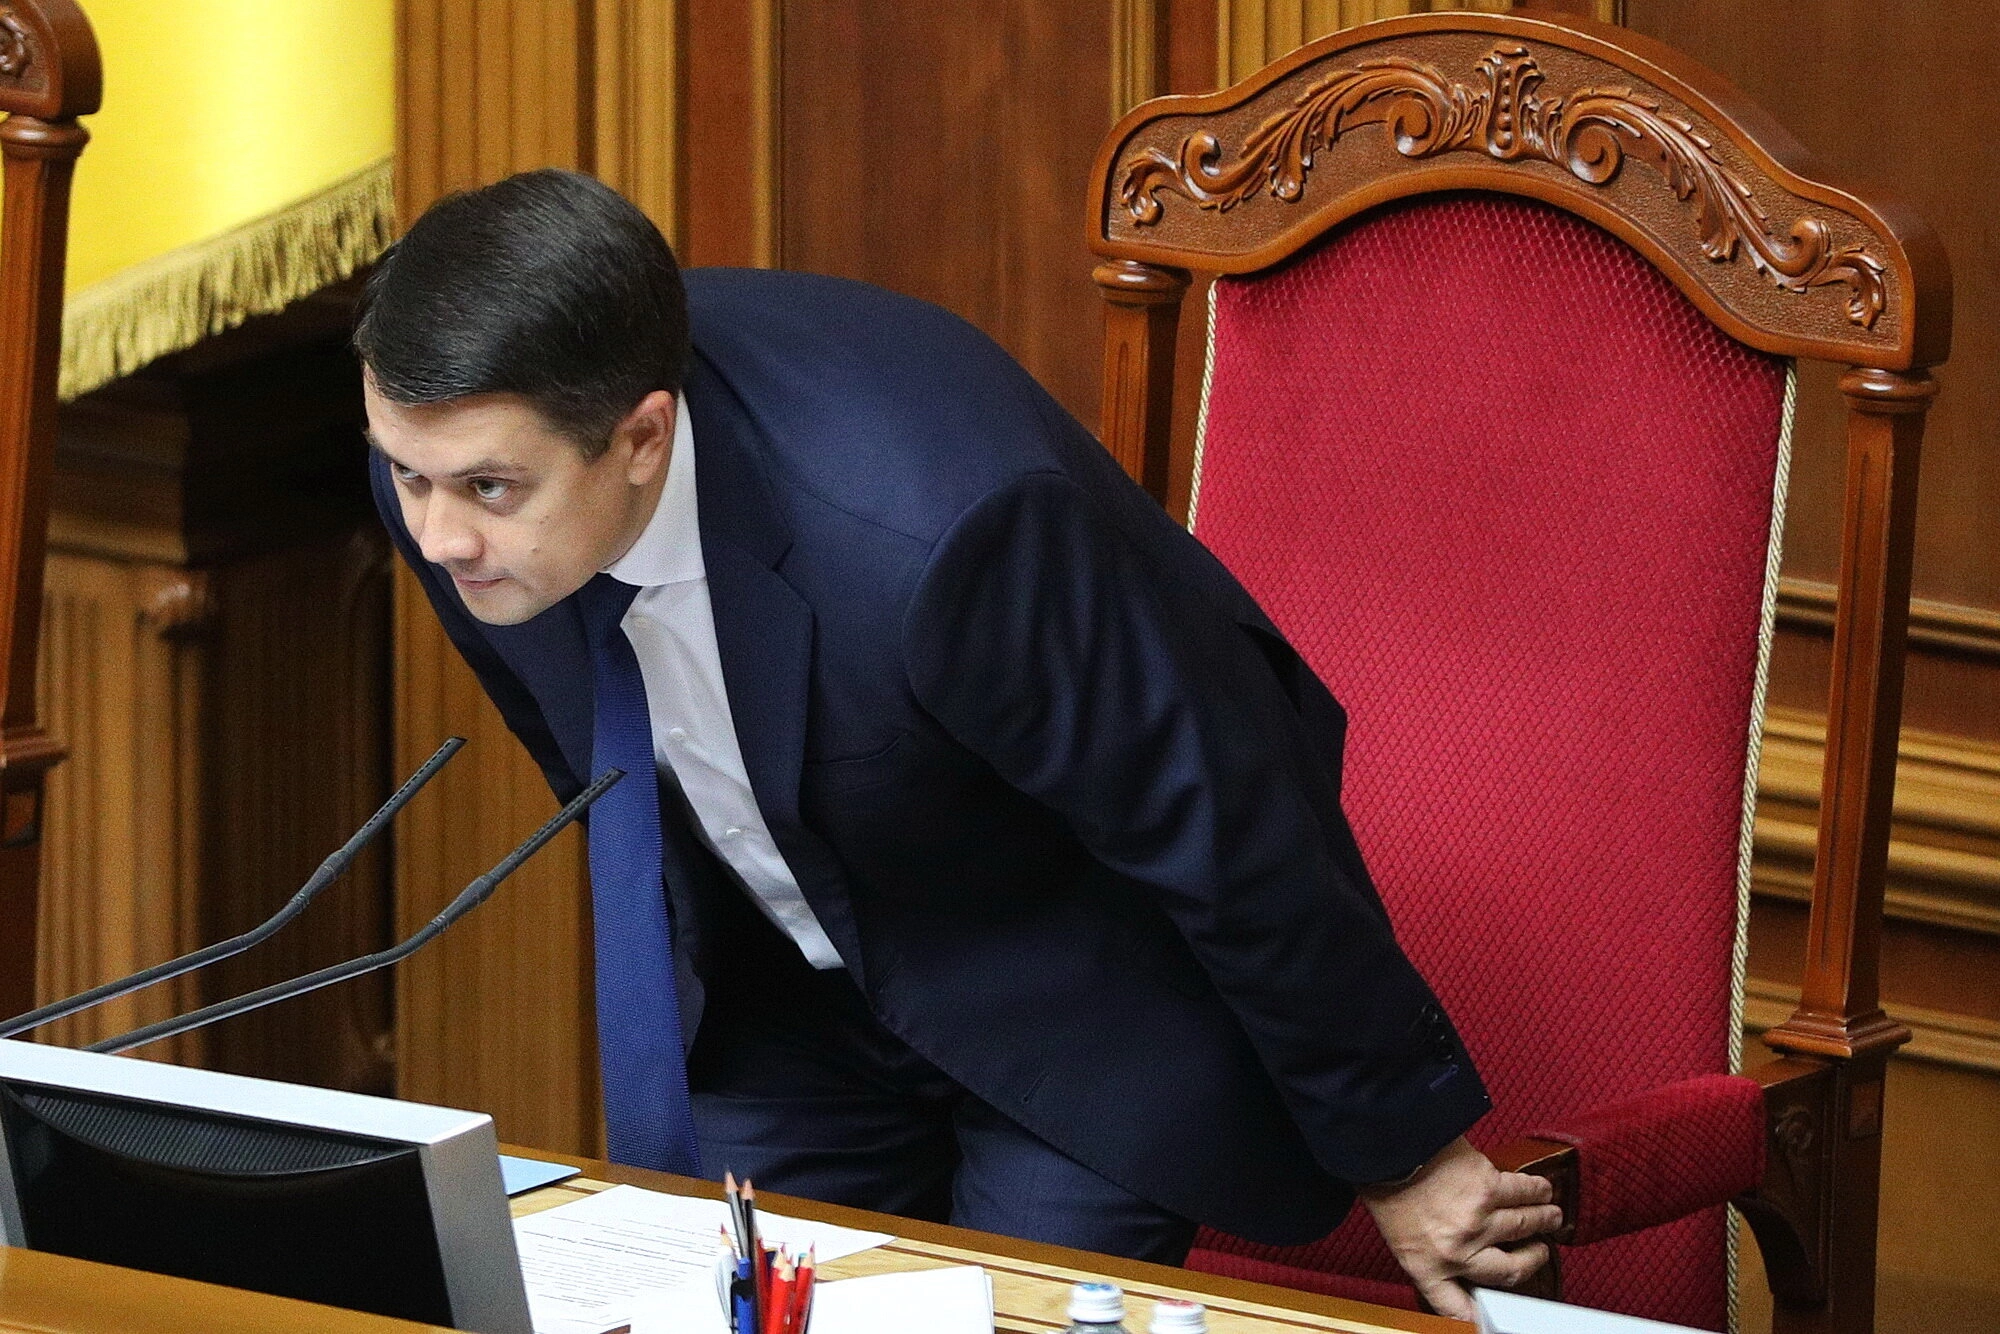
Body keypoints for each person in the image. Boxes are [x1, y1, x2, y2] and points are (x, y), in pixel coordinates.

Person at [356, 168, 1558, 1320]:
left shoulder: (934, 530)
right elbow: (591, 749)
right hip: (790, 979)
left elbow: (1218, 811)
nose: (440, 532)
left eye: (484, 491)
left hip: (1070, 991)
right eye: (410, 477)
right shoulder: (451, 470)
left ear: (641, 438)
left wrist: (1404, 1149)